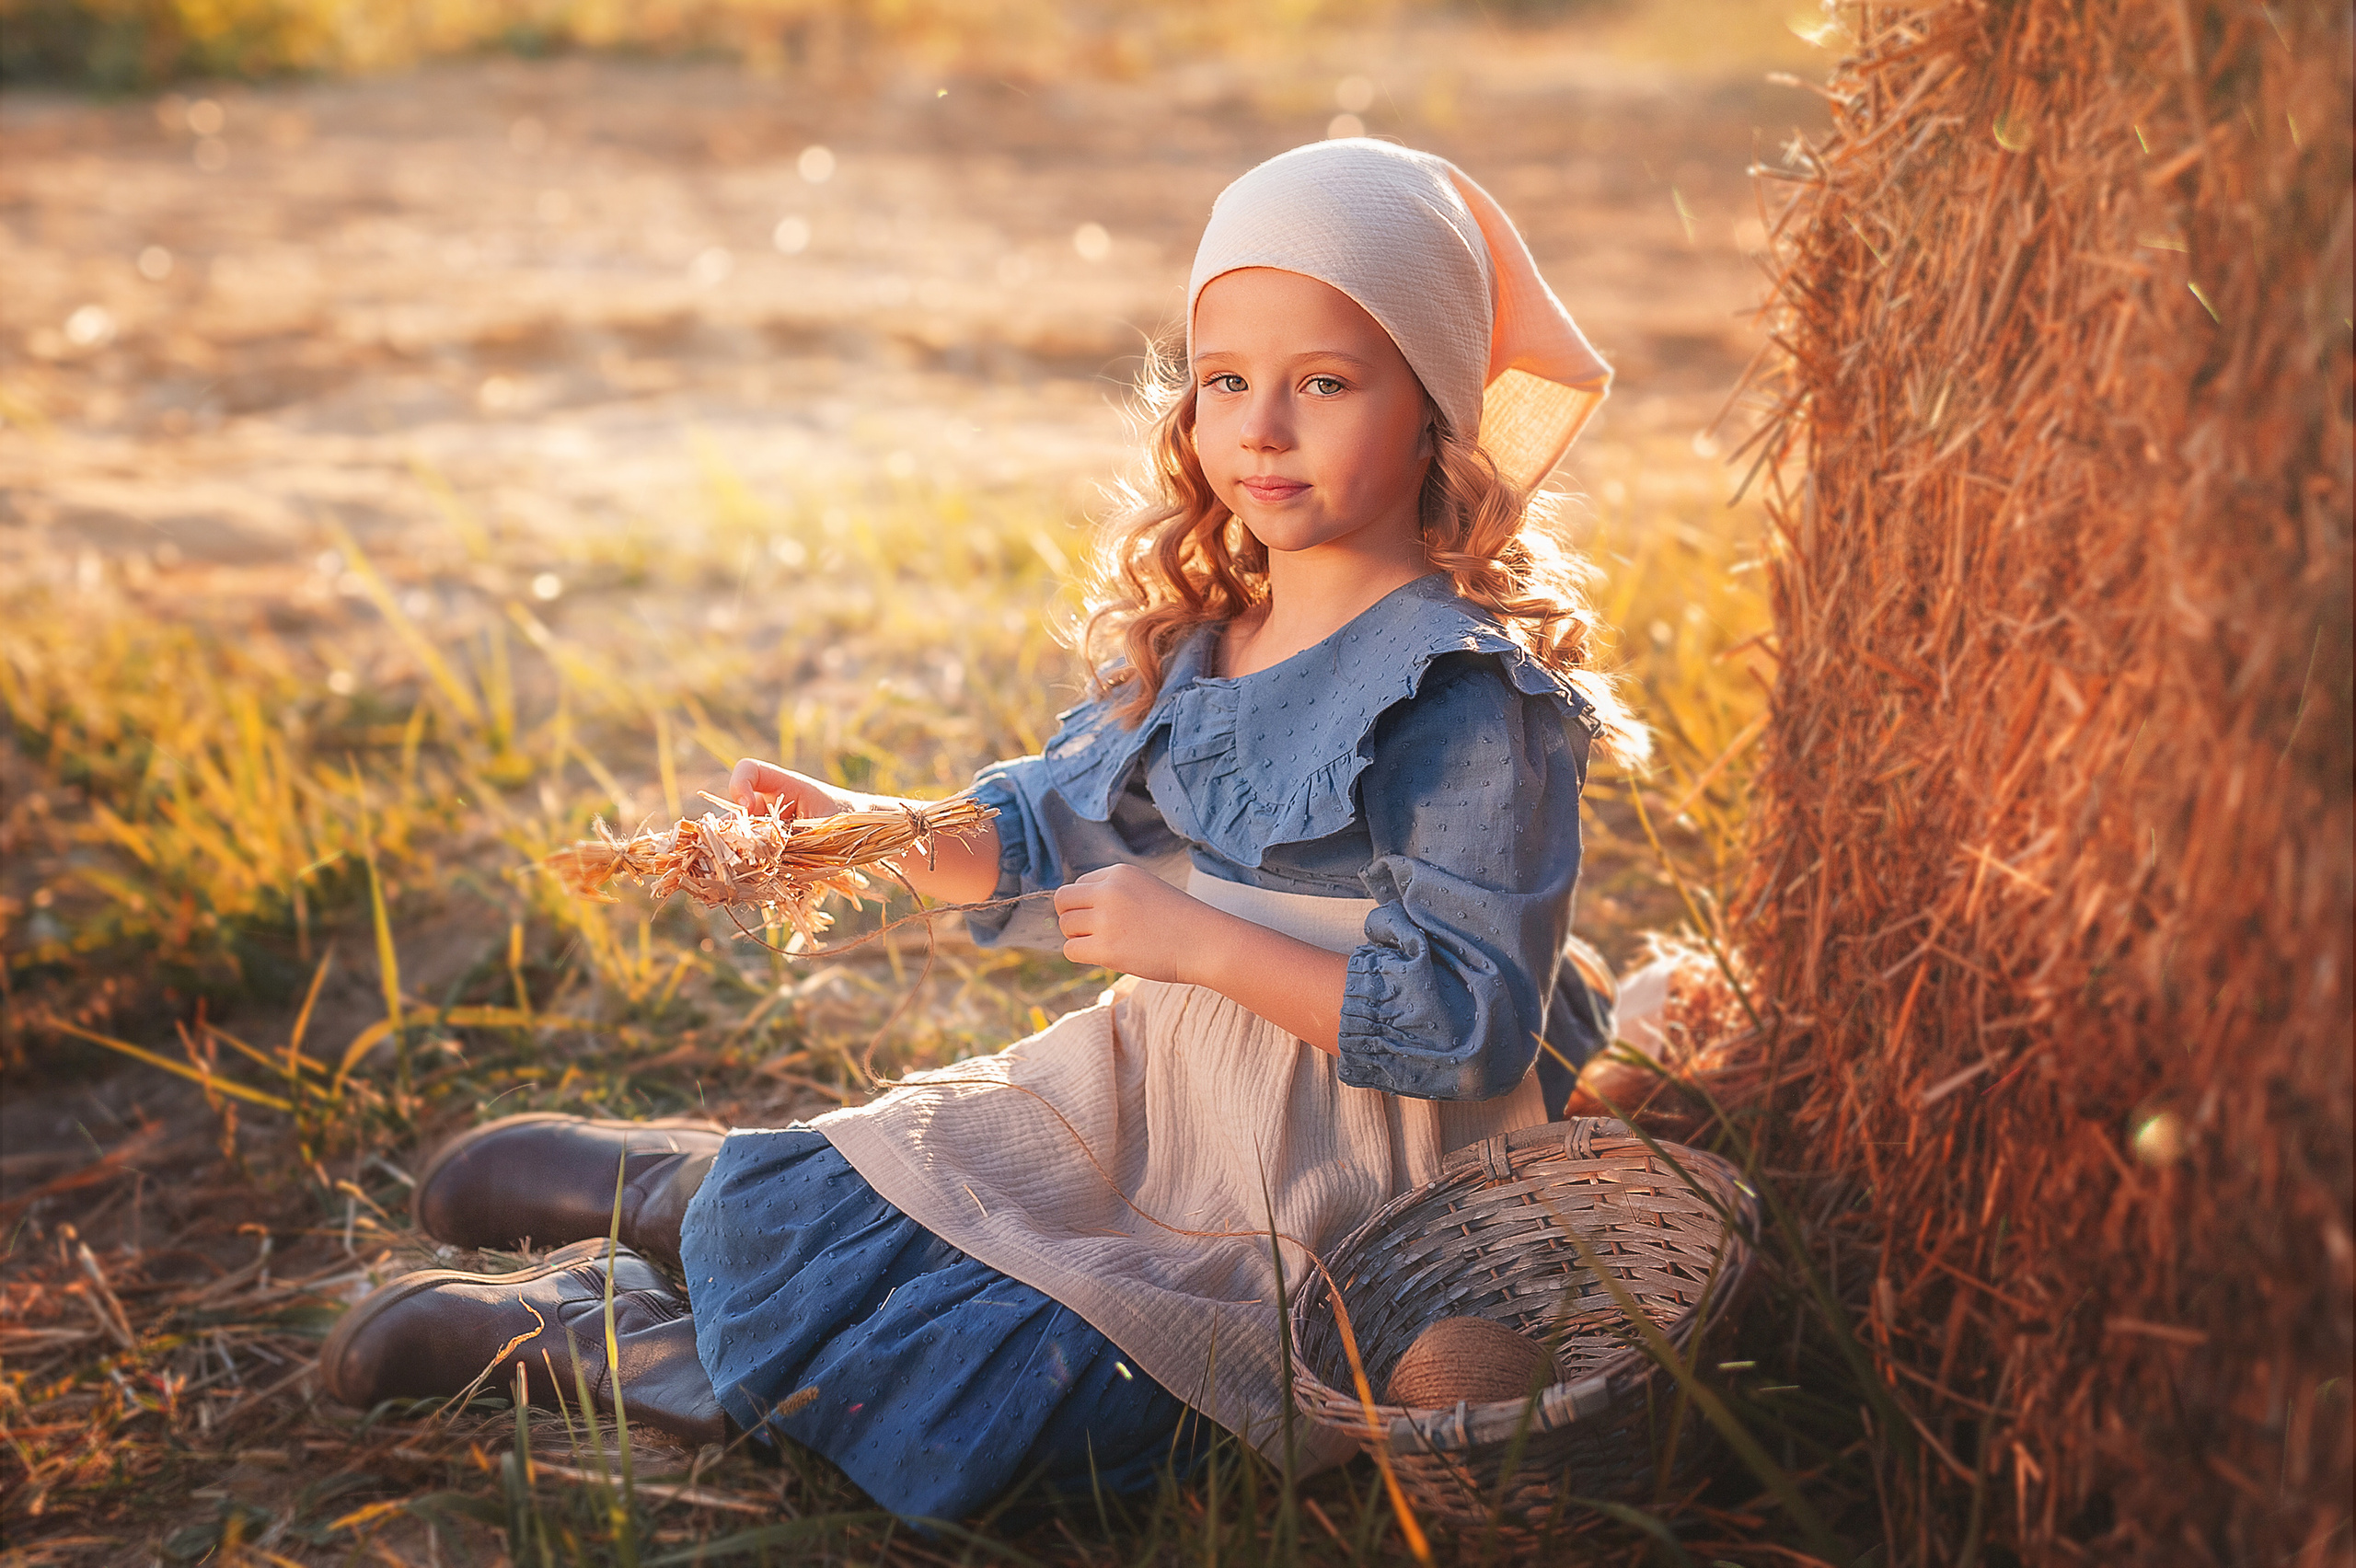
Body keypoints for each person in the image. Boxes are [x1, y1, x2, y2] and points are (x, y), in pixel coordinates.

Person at [321, 137, 1640, 1520]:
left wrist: (1193, 939)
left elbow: (1468, 1021)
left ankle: (618, 1343)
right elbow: (1045, 827)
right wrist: (876, 833)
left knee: (1057, 1413)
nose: (1261, 428)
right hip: (1154, 1101)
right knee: (817, 1204)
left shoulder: (1472, 699)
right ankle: (686, 1199)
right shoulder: (1213, 637)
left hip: (1340, 1181)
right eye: (1225, 382)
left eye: (1325, 383)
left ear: (1432, 407)